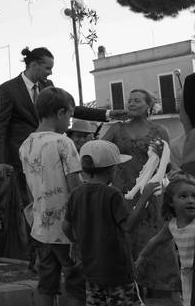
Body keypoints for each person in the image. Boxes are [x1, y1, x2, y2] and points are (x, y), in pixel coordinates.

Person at [0, 46, 118, 261]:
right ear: (34, 65)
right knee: (29, 206)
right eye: (47, 67)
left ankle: (49, 251)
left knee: (51, 200)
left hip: (51, 155)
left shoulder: (48, 87)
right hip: (24, 155)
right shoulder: (9, 89)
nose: (50, 73)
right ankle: (35, 253)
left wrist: (105, 114)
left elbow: (69, 107)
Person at [100, 88, 178, 297]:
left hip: (151, 196)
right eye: (129, 100)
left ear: (148, 106)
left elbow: (168, 167)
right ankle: (129, 289)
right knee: (125, 239)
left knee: (153, 241)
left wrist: (163, 156)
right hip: (122, 195)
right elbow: (101, 154)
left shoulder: (160, 130)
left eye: (136, 101)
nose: (131, 104)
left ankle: (158, 291)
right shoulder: (116, 129)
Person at [63, 140, 160, 306]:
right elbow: (128, 226)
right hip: (118, 273)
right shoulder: (111, 194)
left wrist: (77, 241)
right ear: (112, 170)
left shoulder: (76, 194)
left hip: (91, 271)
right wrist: (144, 198)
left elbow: (65, 226)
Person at [19, 87, 81, 306]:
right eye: (70, 117)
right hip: (68, 229)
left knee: (47, 282)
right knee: (76, 282)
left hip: (41, 228)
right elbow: (76, 187)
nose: (70, 123)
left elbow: (29, 187)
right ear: (61, 112)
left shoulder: (26, 145)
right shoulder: (64, 142)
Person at [137, 176, 195, 306]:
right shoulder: (172, 225)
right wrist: (142, 257)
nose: (191, 200)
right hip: (187, 276)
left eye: (194, 196)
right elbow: (155, 241)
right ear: (170, 202)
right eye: (183, 196)